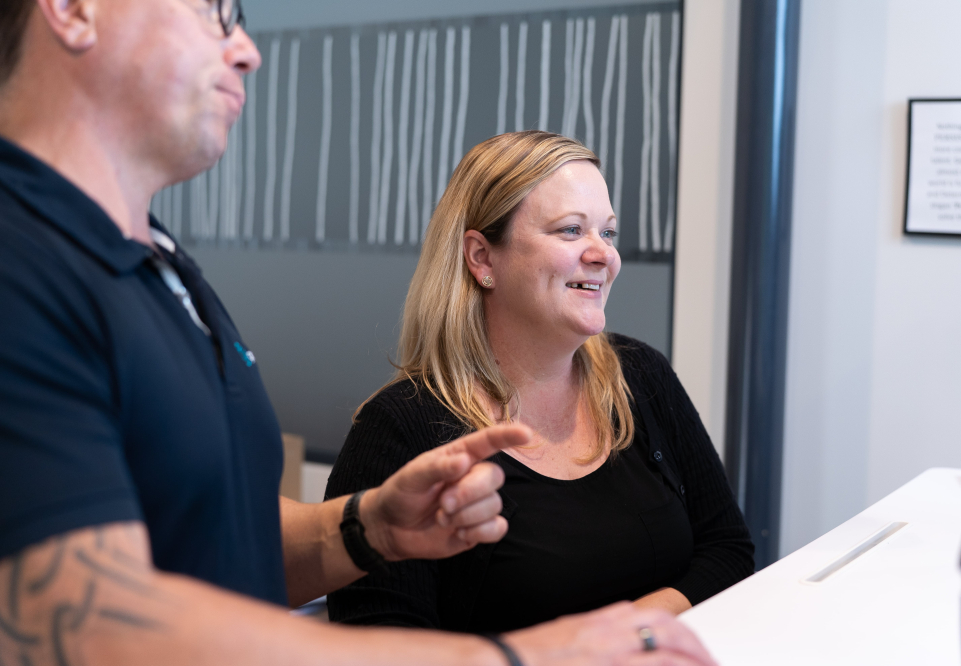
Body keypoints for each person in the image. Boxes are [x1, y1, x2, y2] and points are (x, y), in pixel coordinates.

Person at [0, 0, 720, 665]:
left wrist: (365, 527)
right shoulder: (19, 260)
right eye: (214, 11)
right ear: (72, 8)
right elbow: (72, 620)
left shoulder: (157, 264)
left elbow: (224, 539)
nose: (247, 49)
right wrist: (517, 657)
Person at [326, 131, 755, 633]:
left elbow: (728, 550)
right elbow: (382, 644)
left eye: (608, 232)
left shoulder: (641, 377)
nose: (604, 255)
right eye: (571, 230)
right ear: (482, 258)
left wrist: (625, 633)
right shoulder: (401, 430)